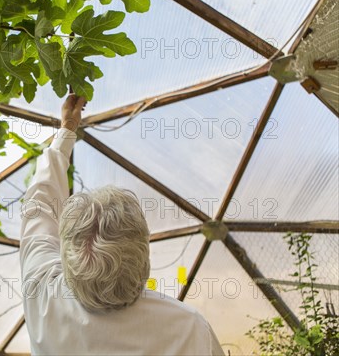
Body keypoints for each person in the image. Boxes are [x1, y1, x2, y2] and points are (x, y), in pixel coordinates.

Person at [20, 94, 225, 355]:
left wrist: (66, 130)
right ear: (144, 264)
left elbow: (40, 202)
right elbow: (39, 204)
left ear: (68, 261)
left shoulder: (42, 295)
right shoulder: (189, 329)